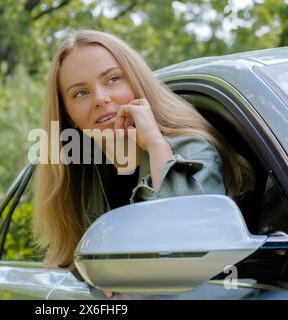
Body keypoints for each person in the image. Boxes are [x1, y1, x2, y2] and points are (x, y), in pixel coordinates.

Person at [32, 29, 255, 298]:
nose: (101, 98)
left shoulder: (192, 147)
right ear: (68, 116)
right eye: (80, 93)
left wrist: (157, 146)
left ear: (137, 82)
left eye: (113, 79)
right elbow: (78, 263)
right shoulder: (79, 172)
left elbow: (185, 250)